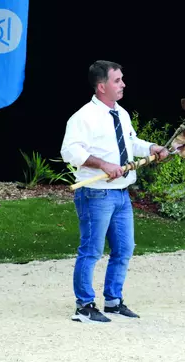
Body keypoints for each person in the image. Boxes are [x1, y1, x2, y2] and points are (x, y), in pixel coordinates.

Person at [61, 60, 169, 323]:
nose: (123, 84)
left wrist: (152, 147)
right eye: (117, 80)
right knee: (91, 251)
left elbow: (130, 141)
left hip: (121, 193)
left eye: (122, 79)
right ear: (101, 86)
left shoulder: (120, 113)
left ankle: (113, 301)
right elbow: (70, 151)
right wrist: (102, 164)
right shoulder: (83, 117)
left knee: (124, 249)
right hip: (95, 193)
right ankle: (84, 306)